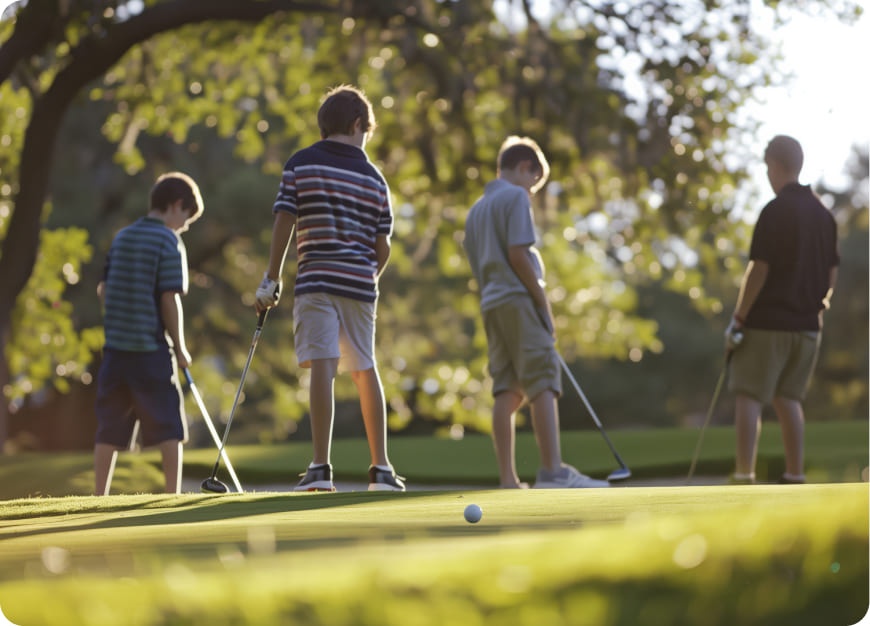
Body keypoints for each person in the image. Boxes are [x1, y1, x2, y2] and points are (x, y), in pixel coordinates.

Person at [255, 84, 404, 492]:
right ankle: (382, 469)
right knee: (363, 367)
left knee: (324, 364)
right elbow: (383, 244)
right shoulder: (375, 178)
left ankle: (321, 467)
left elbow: (285, 219)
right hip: (359, 282)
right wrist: (369, 275)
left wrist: (272, 276)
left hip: (316, 278)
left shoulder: (301, 162)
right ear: (357, 125)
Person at [463, 136, 609, 489]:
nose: (533, 190)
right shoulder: (514, 196)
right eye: (535, 181)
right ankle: (552, 472)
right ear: (525, 168)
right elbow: (518, 254)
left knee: (507, 390)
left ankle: (508, 479)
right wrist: (543, 303)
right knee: (543, 382)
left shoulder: (476, 210)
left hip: (492, 305)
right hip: (518, 299)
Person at [725, 135, 839, 485]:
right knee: (788, 399)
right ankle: (795, 474)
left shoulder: (774, 211)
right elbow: (832, 272)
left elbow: (759, 269)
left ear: (774, 165)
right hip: (808, 326)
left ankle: (744, 473)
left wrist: (739, 317)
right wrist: (820, 302)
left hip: (768, 322)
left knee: (748, 394)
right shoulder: (824, 215)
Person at [94, 172, 204, 495]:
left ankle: (99, 497)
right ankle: (172, 495)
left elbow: (104, 289)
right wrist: (181, 349)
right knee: (169, 425)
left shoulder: (122, 237)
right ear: (176, 205)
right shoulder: (168, 241)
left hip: (115, 349)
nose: (184, 226)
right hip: (149, 349)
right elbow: (169, 298)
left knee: (109, 428)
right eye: (186, 218)